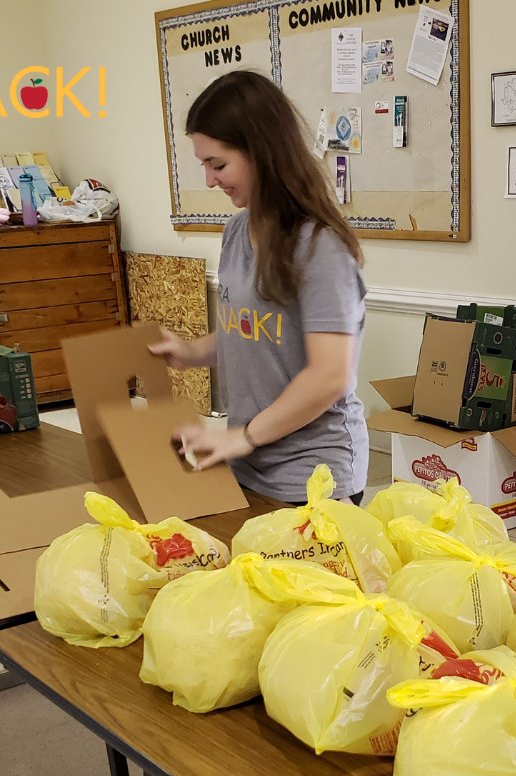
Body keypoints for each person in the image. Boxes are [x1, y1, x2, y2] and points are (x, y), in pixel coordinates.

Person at [150, 69, 370, 505]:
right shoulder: (236, 231)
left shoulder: (319, 246)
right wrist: (194, 352)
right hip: (250, 458)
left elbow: (330, 376)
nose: (210, 181)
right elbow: (252, 325)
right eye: (205, 166)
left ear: (262, 153)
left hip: (313, 471)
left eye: (218, 164)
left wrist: (244, 437)